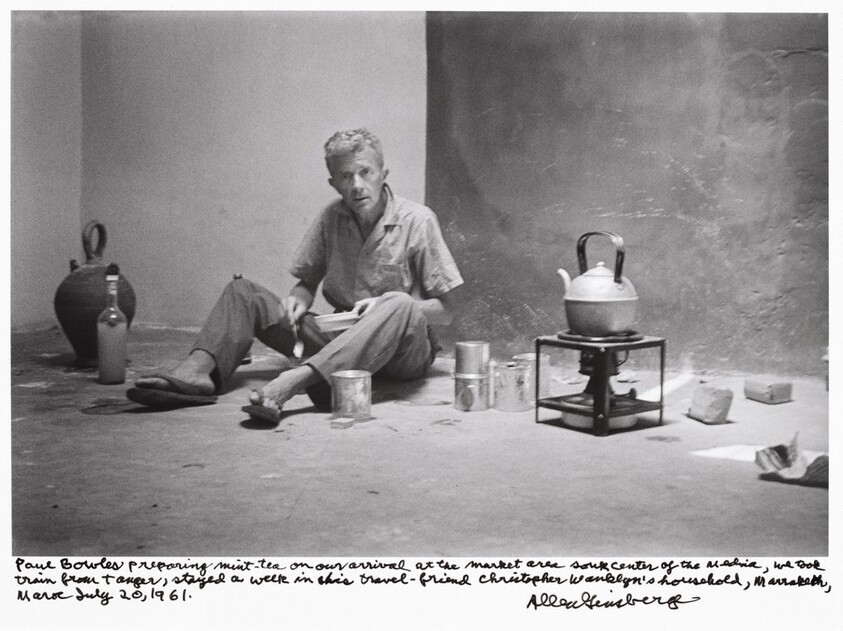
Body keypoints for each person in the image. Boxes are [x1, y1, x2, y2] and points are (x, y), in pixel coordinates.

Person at [126, 128, 464, 422]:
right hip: (341, 341)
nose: (357, 185)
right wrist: (296, 301)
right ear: (334, 182)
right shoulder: (331, 218)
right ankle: (197, 373)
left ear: (383, 173)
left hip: (403, 355)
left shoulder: (418, 220)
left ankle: (294, 381)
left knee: (400, 303)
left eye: (365, 172)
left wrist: (384, 307)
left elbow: (447, 311)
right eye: (346, 176)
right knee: (244, 292)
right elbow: (306, 284)